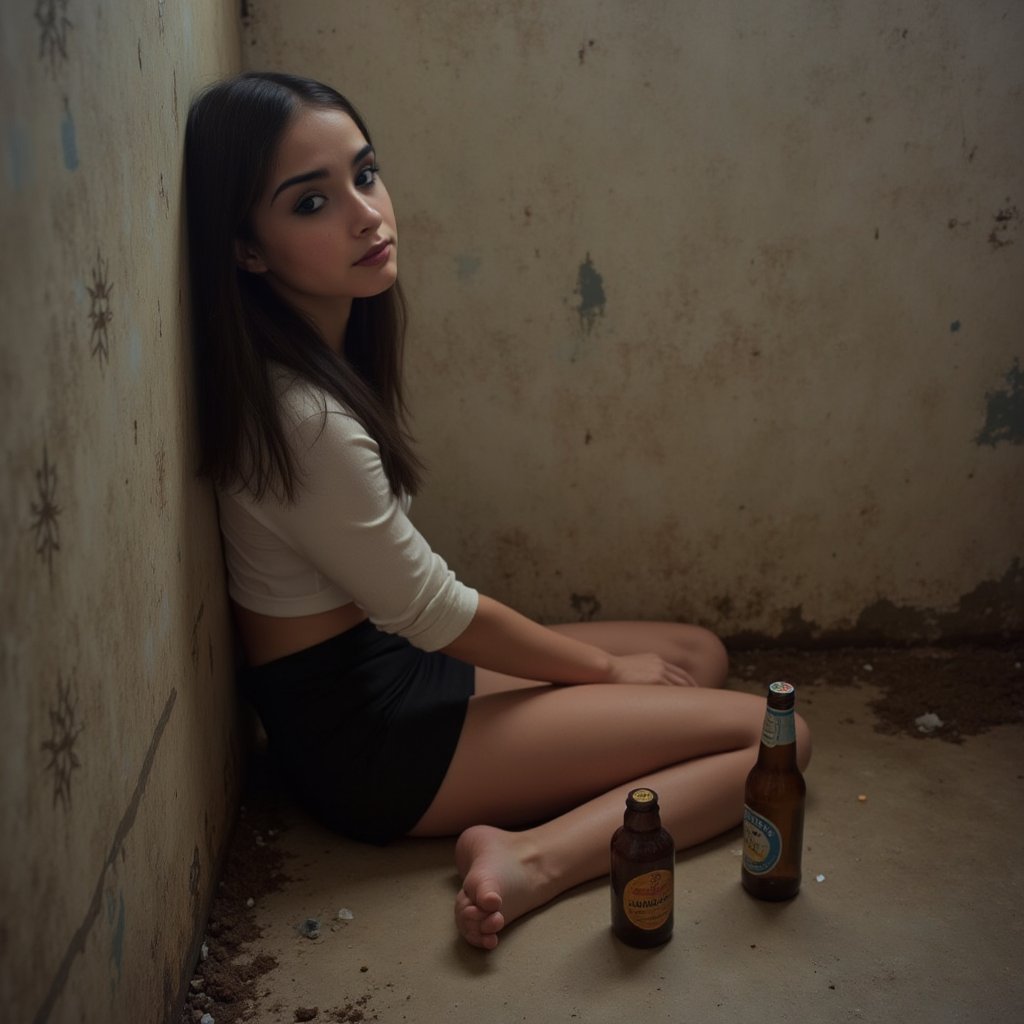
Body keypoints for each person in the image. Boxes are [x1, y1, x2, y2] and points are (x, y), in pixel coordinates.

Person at [185, 71, 811, 951]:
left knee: (693, 655)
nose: (365, 213)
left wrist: (606, 677)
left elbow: (414, 614)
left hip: (395, 670)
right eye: (312, 202)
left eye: (366, 175)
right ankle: (534, 860)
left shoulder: (322, 364)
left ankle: (549, 788)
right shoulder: (303, 419)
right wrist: (599, 671)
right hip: (368, 744)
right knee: (775, 742)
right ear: (247, 248)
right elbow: (435, 610)